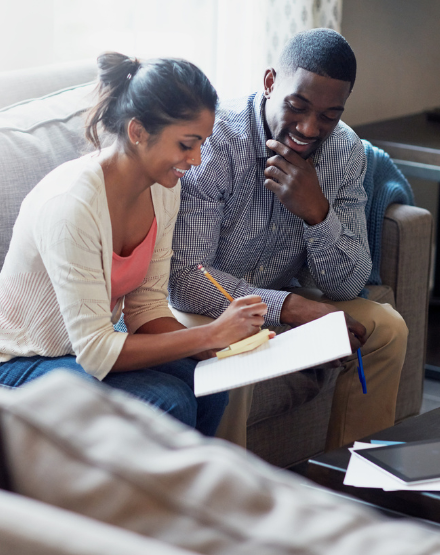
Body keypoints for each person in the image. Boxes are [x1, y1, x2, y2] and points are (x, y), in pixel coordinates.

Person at [0, 52, 270, 437]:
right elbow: (96, 350)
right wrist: (208, 334)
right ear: (137, 132)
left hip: (74, 349)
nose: (196, 159)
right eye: (187, 144)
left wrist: (207, 348)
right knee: (166, 401)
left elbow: (146, 308)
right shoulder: (72, 206)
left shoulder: (163, 189)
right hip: (5, 358)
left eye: (201, 143)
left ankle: (179, 496)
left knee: (208, 388)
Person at [169, 29, 408, 450]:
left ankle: (357, 485)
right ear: (269, 82)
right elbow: (188, 280)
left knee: (387, 327)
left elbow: (348, 286)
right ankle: (229, 495)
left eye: (329, 116)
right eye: (297, 106)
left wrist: (317, 213)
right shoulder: (217, 141)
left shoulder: (344, 150)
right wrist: (293, 307)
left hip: (279, 299)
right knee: (238, 348)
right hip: (207, 309)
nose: (309, 128)